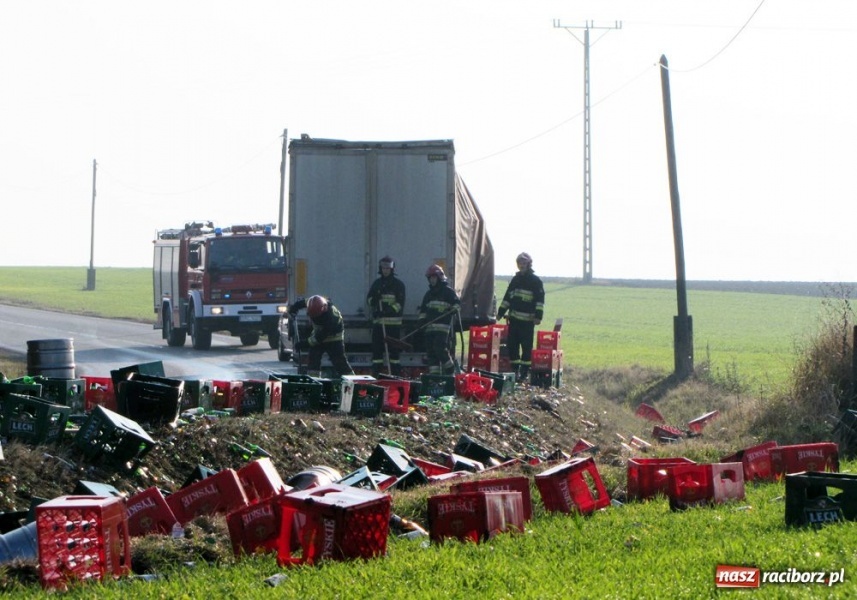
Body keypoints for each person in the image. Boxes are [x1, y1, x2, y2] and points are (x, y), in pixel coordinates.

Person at [496, 252, 545, 380]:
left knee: (526, 347)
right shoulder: (515, 280)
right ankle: (515, 371)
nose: (521, 265)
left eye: (524, 263)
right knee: (512, 346)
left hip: (528, 322)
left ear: (529, 264)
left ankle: (524, 373)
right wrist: (500, 312)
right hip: (514, 321)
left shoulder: (535, 281)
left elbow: (540, 301)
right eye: (519, 263)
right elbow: (507, 297)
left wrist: (538, 316)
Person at [288, 295, 354, 377]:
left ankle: (354, 382)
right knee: (313, 361)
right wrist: (294, 308)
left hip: (334, 339)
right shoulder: (314, 302)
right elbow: (301, 303)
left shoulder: (331, 318)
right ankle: (314, 381)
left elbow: (319, 338)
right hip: (319, 335)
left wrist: (304, 344)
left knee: (340, 364)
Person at [366, 256, 406, 376]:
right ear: (380, 268)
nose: (385, 270)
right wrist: (374, 301)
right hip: (379, 324)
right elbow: (369, 299)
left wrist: (386, 311)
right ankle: (376, 374)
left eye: (388, 268)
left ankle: (395, 375)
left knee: (394, 354)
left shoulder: (398, 285)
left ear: (392, 269)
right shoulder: (377, 284)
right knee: (377, 352)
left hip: (393, 326)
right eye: (383, 268)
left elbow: (400, 304)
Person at [418, 264, 461, 375]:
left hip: (442, 327)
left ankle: (450, 369)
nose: (432, 280)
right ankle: (435, 377)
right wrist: (421, 322)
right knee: (431, 353)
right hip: (429, 329)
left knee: (440, 349)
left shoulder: (448, 292)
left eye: (434, 277)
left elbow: (457, 305)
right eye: (430, 278)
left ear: (439, 277)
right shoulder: (428, 294)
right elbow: (423, 310)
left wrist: (452, 310)